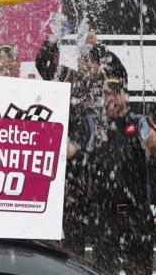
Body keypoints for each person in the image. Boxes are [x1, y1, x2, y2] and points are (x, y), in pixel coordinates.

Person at [86, 55, 156, 275]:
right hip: (105, 217)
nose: (111, 98)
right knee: (103, 271)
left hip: (136, 215)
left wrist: (152, 141)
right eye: (106, 93)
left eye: (116, 93)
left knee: (139, 271)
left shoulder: (138, 121)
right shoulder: (93, 124)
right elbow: (71, 149)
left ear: (125, 97)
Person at [36, 30, 105, 256]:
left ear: (99, 65)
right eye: (83, 57)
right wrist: (53, 39)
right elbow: (43, 63)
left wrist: (97, 46)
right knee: (51, 236)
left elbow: (95, 123)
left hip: (85, 170)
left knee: (76, 237)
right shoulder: (68, 76)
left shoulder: (105, 87)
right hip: (57, 167)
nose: (86, 63)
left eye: (92, 59)